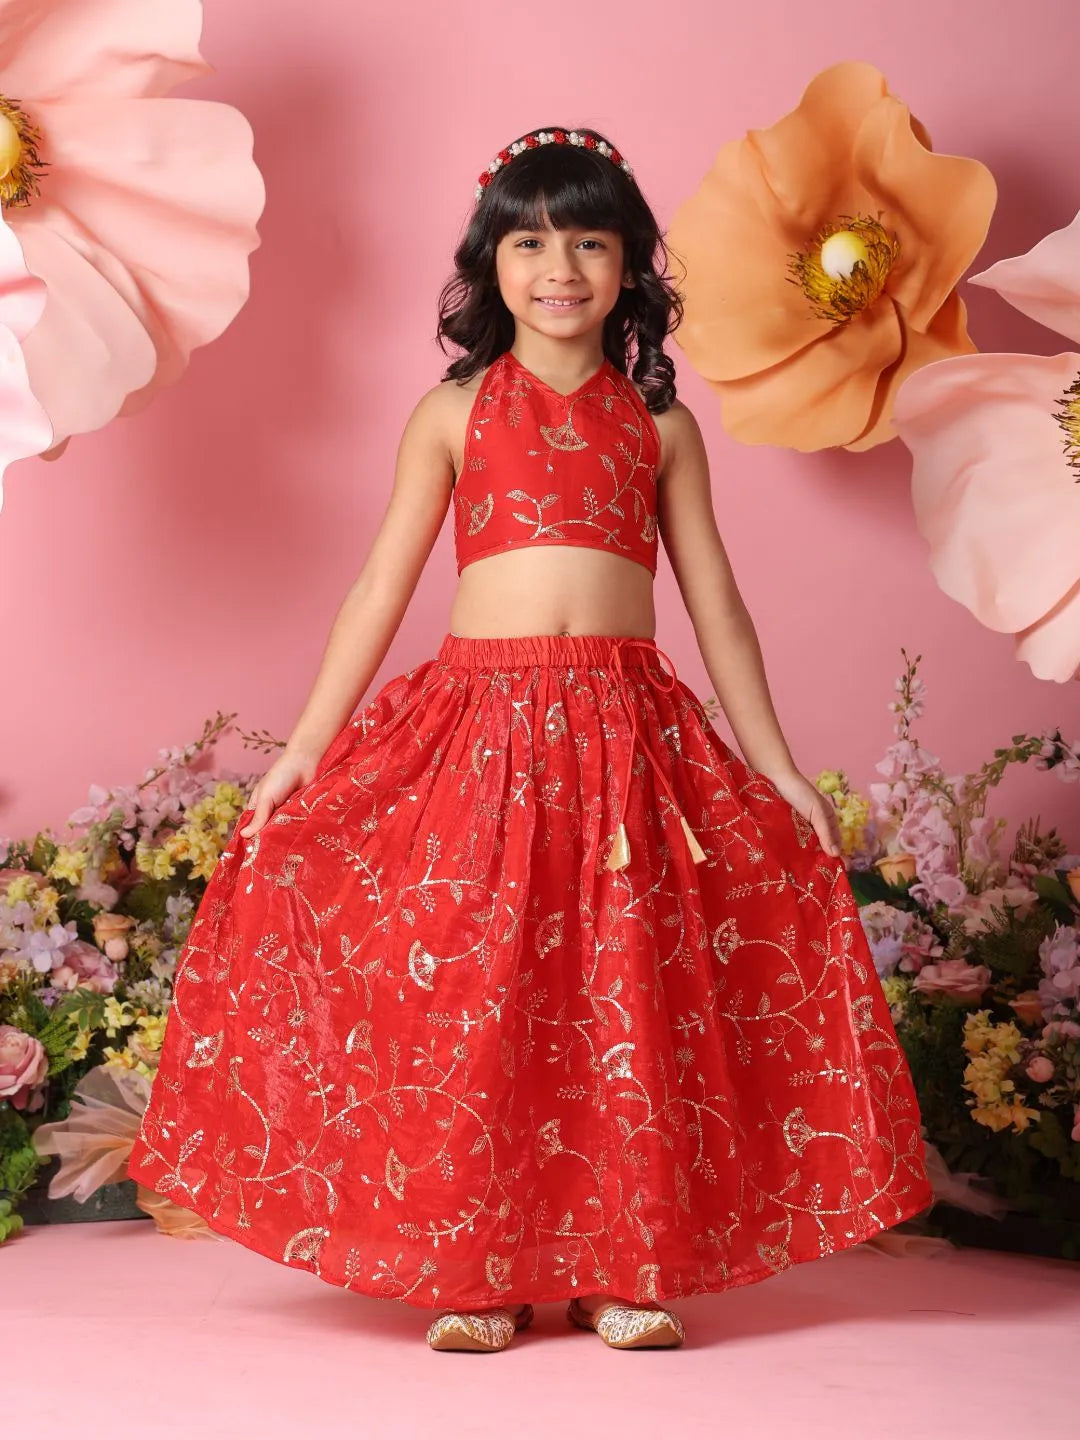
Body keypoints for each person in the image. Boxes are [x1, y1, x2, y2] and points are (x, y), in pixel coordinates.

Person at [128, 124, 936, 1354]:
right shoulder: (451, 413)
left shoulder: (659, 427)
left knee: (622, 999)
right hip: (479, 733)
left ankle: (620, 1264)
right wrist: (304, 744)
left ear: (631, 269)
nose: (560, 266)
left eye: (590, 241)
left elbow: (716, 603)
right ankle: (478, 1267)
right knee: (479, 999)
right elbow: (377, 590)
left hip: (628, 737)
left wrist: (775, 766)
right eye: (529, 240)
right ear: (489, 264)